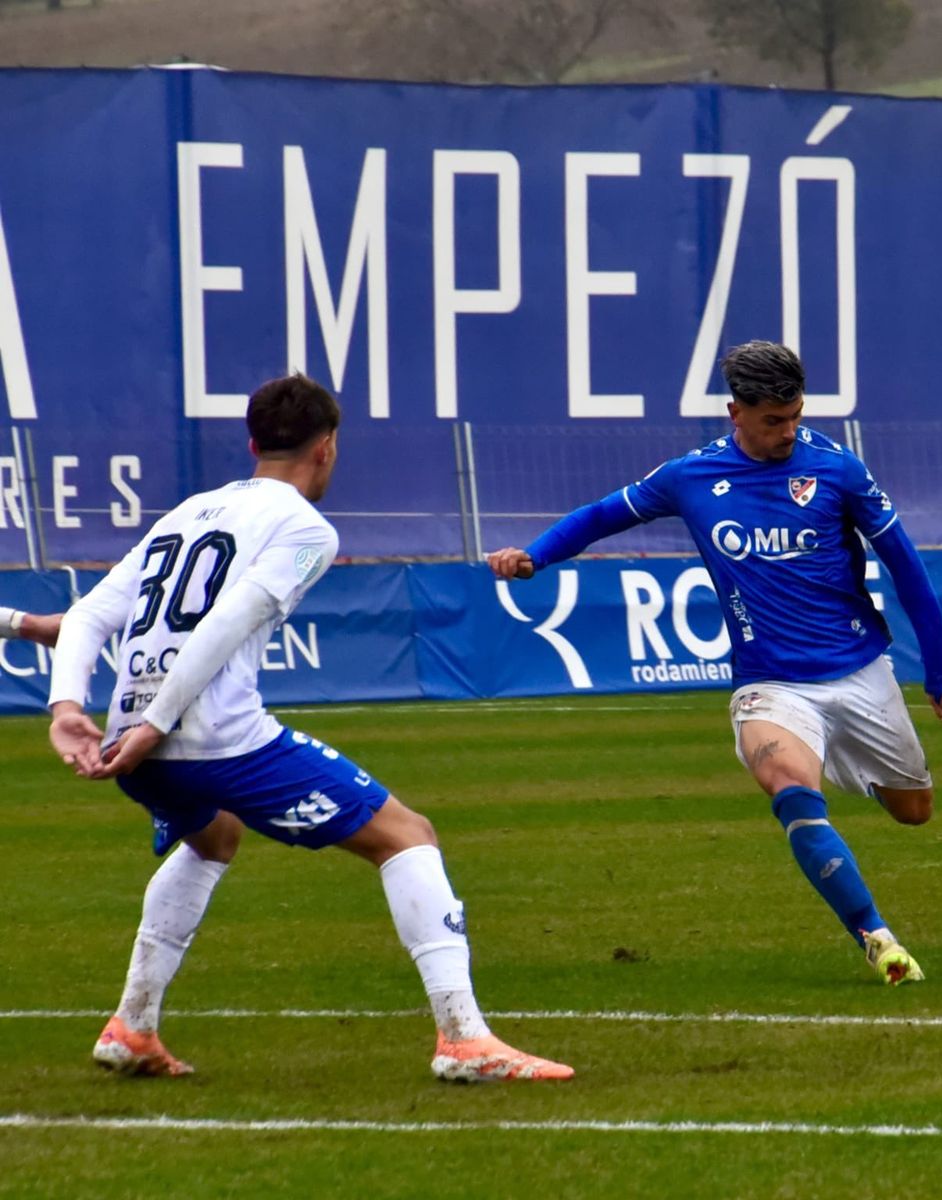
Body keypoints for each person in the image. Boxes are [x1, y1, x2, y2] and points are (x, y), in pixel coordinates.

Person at [43, 374, 572, 1082]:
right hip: (212, 736)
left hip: (130, 735)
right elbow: (228, 622)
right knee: (406, 835)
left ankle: (133, 1026)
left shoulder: (187, 513)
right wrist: (164, 720)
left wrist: (68, 707)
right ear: (326, 448)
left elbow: (85, 615)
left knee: (215, 834)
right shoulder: (304, 527)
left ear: (255, 442)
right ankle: (465, 1040)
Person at [487, 340, 942, 985]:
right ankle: (877, 939)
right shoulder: (690, 476)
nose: (788, 432)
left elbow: (906, 565)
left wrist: (938, 670)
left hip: (858, 671)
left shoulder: (838, 469)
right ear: (735, 412)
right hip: (769, 685)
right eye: (773, 420)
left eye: (795, 415)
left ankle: (839, 758)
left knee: (916, 811)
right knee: (790, 789)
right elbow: (605, 515)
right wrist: (536, 555)